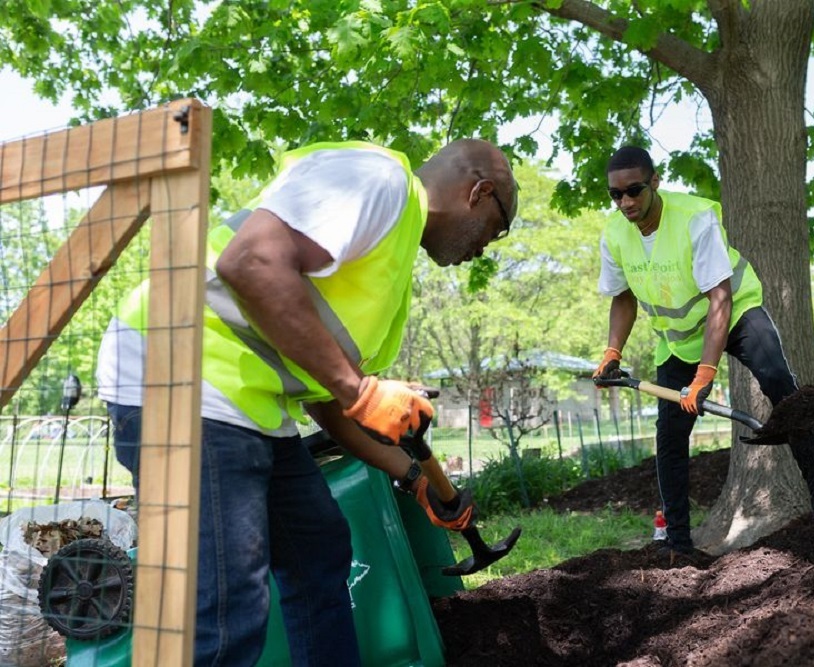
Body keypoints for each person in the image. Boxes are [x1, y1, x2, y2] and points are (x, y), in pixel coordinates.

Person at [96, 138, 518, 666]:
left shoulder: (391, 269)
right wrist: (362, 390)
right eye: (495, 230)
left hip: (244, 402)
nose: (484, 247)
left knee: (317, 551)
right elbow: (250, 260)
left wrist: (413, 479)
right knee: (227, 607)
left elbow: (330, 402)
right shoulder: (378, 179)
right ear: (479, 192)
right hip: (178, 372)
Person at [592, 145, 814, 563]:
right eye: (615, 194)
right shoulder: (614, 233)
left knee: (781, 388)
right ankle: (679, 544)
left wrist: (705, 374)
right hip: (679, 340)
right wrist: (612, 351)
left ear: (655, 182)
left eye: (634, 190)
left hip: (736, 317)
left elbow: (720, 298)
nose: (625, 202)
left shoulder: (695, 218)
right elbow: (621, 297)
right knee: (670, 436)